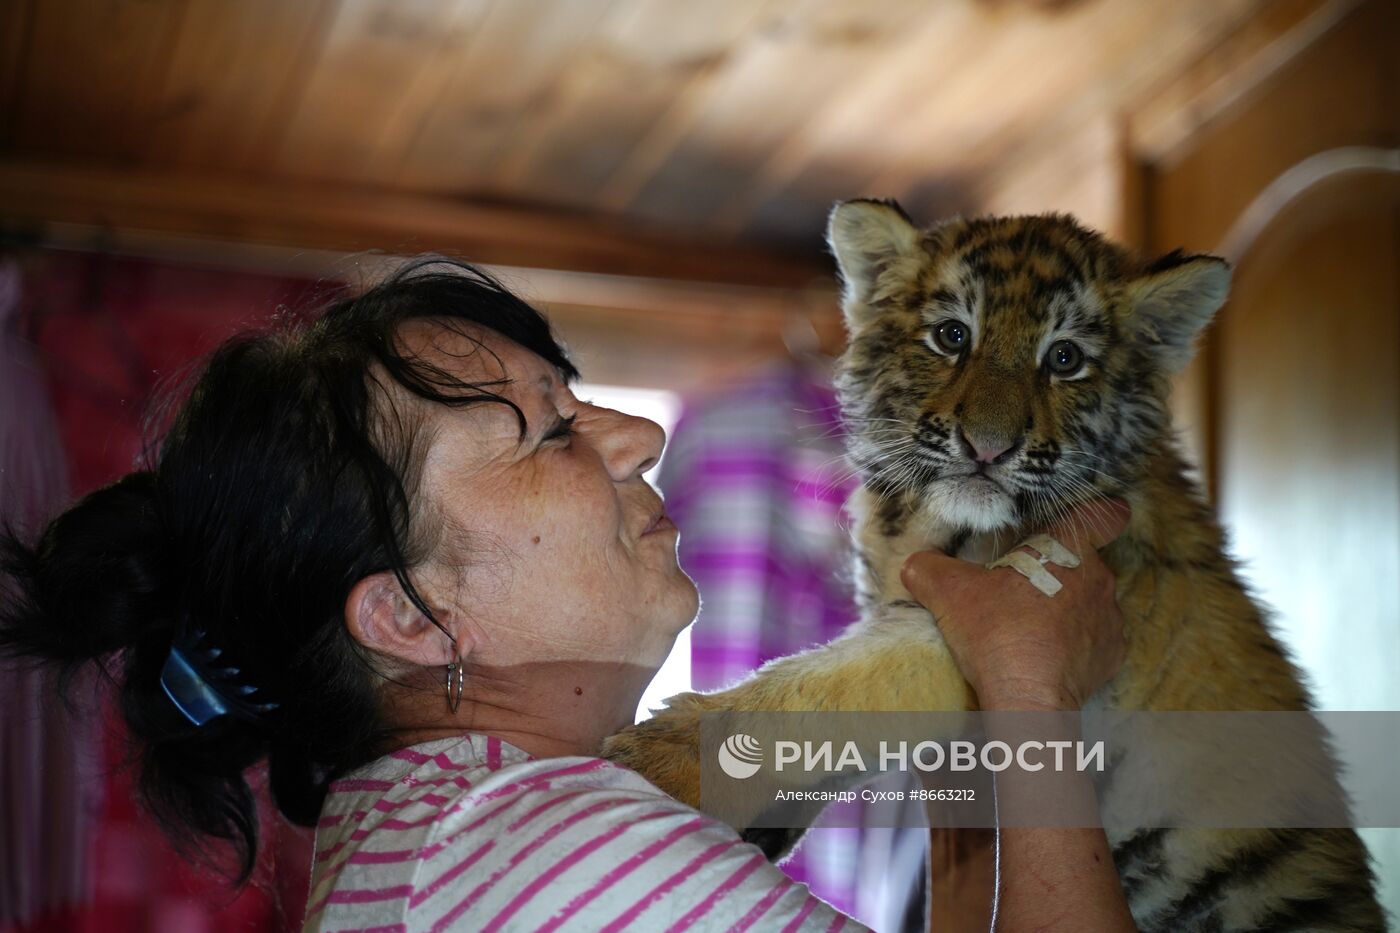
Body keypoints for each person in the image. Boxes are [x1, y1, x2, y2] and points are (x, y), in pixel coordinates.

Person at [0, 259, 1135, 931]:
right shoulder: (549, 844)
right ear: (410, 616)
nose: (639, 437)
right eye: (550, 435)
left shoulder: (428, 831)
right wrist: (1032, 689)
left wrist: (968, 693)